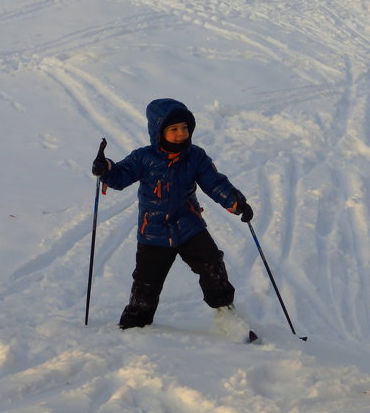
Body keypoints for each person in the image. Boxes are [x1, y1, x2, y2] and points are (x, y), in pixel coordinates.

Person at [91, 98, 254, 329]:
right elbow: (121, 175)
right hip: (153, 232)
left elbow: (214, 183)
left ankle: (225, 313)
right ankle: (135, 325)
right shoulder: (144, 158)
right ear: (158, 131)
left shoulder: (195, 157)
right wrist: (105, 167)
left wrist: (236, 203)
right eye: (174, 129)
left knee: (212, 264)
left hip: (189, 226)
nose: (181, 134)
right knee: (146, 281)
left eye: (185, 128)